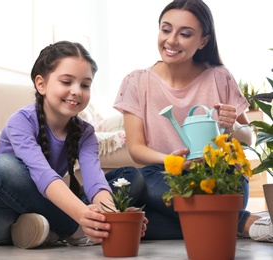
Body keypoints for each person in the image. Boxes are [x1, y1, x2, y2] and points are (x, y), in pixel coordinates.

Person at [114, 0, 272, 242]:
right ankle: (243, 222)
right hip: (164, 175)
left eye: (185, 34)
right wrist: (172, 161)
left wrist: (233, 127)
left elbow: (249, 136)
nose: (171, 40)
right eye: (166, 30)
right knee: (144, 178)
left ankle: (223, 220)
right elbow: (136, 149)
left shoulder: (219, 76)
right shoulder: (136, 81)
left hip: (218, 174)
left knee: (146, 221)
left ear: (203, 41)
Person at [0, 40, 147, 249]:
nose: (77, 91)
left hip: (51, 205)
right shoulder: (20, 121)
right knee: (2, 167)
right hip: (6, 217)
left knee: (131, 176)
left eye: (85, 85)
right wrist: (82, 215)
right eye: (67, 82)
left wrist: (113, 215)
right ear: (41, 84)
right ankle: (76, 230)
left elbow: (95, 181)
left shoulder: (85, 132)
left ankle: (56, 229)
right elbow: (44, 175)